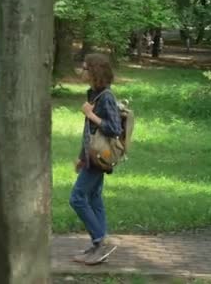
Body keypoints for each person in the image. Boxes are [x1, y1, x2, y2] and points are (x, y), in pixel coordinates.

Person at [70, 53, 122, 265]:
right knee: (93, 198)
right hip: (92, 156)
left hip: (101, 156)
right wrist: (82, 157)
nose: (81, 71)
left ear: (95, 71)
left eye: (85, 68)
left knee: (77, 198)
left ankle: (101, 240)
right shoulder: (93, 93)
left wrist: (90, 115)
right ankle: (98, 246)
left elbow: (114, 128)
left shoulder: (106, 96)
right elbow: (89, 132)